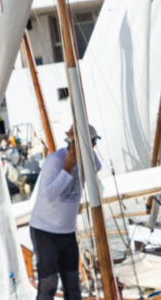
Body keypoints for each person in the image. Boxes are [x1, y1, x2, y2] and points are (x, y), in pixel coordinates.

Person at [29, 125, 102, 300]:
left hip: (67, 233)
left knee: (73, 287)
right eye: (92, 142)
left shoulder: (88, 160)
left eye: (94, 142)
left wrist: (83, 145)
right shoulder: (55, 160)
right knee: (49, 285)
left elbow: (97, 167)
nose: (93, 146)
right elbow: (49, 193)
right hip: (45, 232)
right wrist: (68, 167)